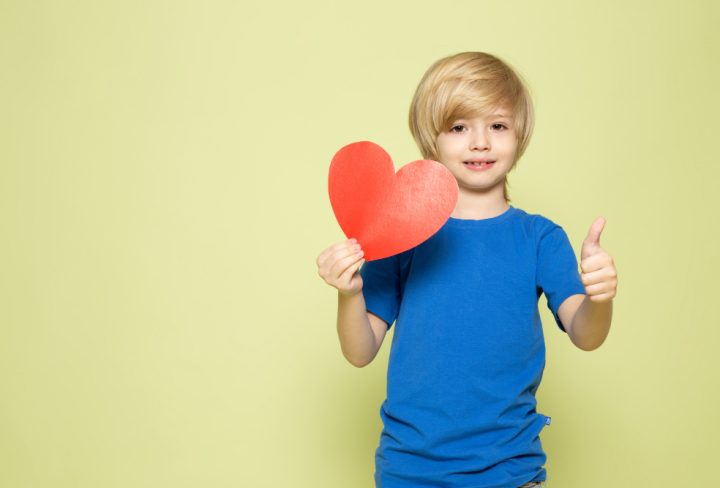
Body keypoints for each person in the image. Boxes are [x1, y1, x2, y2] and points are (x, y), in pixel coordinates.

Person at [316, 51, 618, 488]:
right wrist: (349, 292)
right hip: (409, 471)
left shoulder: (540, 238)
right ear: (431, 138)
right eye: (459, 127)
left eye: (497, 125)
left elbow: (586, 335)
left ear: (520, 134)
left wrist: (600, 297)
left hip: (510, 472)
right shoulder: (401, 235)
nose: (480, 142)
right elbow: (359, 351)